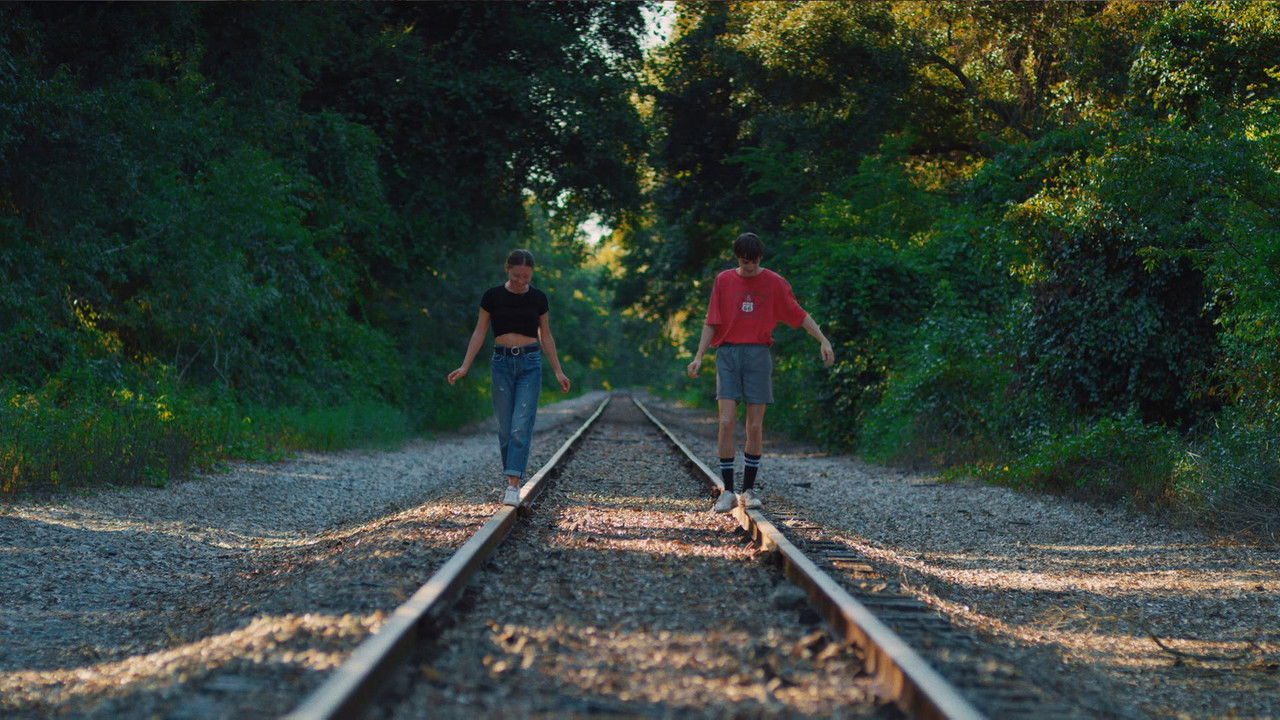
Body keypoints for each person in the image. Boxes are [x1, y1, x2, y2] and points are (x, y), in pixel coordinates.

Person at [686, 232, 834, 513]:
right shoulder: (724, 280)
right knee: (726, 421)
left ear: (760, 258)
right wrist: (698, 357)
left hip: (758, 354)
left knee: (754, 426)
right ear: (737, 258)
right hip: (727, 353)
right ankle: (728, 491)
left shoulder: (775, 282)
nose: (749, 267)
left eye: (753, 263)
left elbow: (798, 313)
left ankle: (748, 490)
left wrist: (823, 339)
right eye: (744, 262)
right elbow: (711, 321)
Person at [448, 249, 571, 506]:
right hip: (501, 364)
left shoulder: (538, 298)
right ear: (507, 268)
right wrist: (465, 366)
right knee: (505, 430)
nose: (520, 282)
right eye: (516, 276)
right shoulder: (492, 296)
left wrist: (558, 370)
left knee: (520, 427)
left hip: (530, 364)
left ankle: (512, 484)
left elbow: (545, 336)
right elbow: (480, 332)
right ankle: (511, 477)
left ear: (532, 274)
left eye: (525, 277)